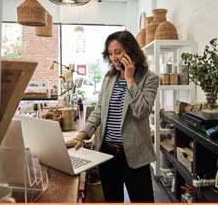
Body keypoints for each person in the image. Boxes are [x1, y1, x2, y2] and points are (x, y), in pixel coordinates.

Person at [66, 30, 159, 202]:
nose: (113, 57)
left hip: (135, 155)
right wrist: (82, 134)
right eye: (110, 53)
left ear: (131, 52)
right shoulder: (109, 78)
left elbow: (142, 111)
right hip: (107, 154)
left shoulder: (149, 78)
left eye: (118, 52)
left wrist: (130, 80)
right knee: (112, 199)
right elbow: (99, 111)